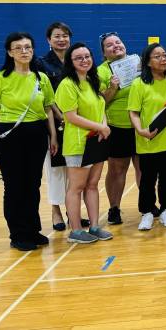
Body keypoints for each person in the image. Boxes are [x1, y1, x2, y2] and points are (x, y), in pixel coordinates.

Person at [0, 33, 57, 251]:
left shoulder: (41, 78)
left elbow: (48, 108)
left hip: (37, 134)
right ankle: (18, 234)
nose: (24, 51)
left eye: (28, 47)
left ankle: (32, 229)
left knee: (33, 184)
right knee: (14, 186)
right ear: (10, 52)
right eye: (18, 48)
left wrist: (53, 137)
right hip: (10, 136)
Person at [55, 43, 112, 244]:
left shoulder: (91, 80)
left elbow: (101, 107)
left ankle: (95, 226)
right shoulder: (67, 85)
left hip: (96, 140)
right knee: (76, 187)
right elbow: (70, 116)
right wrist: (100, 126)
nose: (85, 60)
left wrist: (103, 125)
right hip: (79, 143)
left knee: (93, 185)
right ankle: (76, 230)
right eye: (79, 57)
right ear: (71, 62)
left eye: (87, 56)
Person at [127, 43, 166, 231]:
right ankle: (147, 212)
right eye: (158, 56)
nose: (163, 59)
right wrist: (140, 130)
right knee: (148, 180)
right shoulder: (139, 84)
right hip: (148, 140)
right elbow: (133, 113)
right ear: (148, 62)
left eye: (165, 55)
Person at [37, 22, 84, 231]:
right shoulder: (41, 63)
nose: (61, 39)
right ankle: (56, 211)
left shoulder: (76, 60)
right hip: (53, 123)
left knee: (75, 168)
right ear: (48, 40)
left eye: (65, 35)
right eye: (57, 36)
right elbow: (47, 97)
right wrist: (61, 115)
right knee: (55, 169)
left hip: (76, 122)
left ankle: (73, 211)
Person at [97, 32, 141, 226]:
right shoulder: (101, 72)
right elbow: (100, 102)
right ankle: (114, 208)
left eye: (118, 42)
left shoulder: (139, 63)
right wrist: (113, 88)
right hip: (117, 126)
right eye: (109, 45)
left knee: (144, 168)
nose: (115, 46)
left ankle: (147, 205)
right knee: (117, 170)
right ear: (104, 53)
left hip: (141, 125)